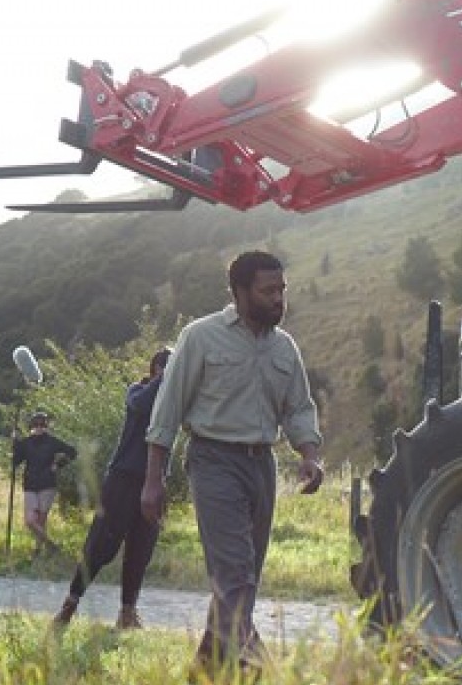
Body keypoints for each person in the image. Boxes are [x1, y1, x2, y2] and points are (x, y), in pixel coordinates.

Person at [141, 250, 323, 676]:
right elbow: (167, 409)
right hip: (214, 460)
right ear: (239, 292)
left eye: (281, 289)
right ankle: (256, 664)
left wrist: (311, 456)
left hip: (262, 467)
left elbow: (299, 408)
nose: (278, 299)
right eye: (267, 291)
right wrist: (154, 479)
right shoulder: (200, 337)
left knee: (243, 577)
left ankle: (207, 666)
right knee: (235, 570)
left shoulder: (284, 346)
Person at [52, 347, 172, 630]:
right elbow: (141, 406)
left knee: (141, 549)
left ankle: (127, 613)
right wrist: (162, 380)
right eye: (164, 365)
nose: (169, 371)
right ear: (154, 368)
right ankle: (71, 601)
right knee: (100, 544)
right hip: (123, 478)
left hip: (154, 482)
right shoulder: (137, 390)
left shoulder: (175, 401)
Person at [13, 411, 77, 554]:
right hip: (30, 484)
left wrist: (58, 465)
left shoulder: (52, 442)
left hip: (47, 484)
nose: (39, 427)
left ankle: (38, 550)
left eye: (42, 425)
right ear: (31, 426)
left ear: (46, 426)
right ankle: (50, 545)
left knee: (41, 519)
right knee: (30, 521)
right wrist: (16, 445)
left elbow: (72, 452)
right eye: (36, 424)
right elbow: (15, 462)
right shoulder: (26, 443)